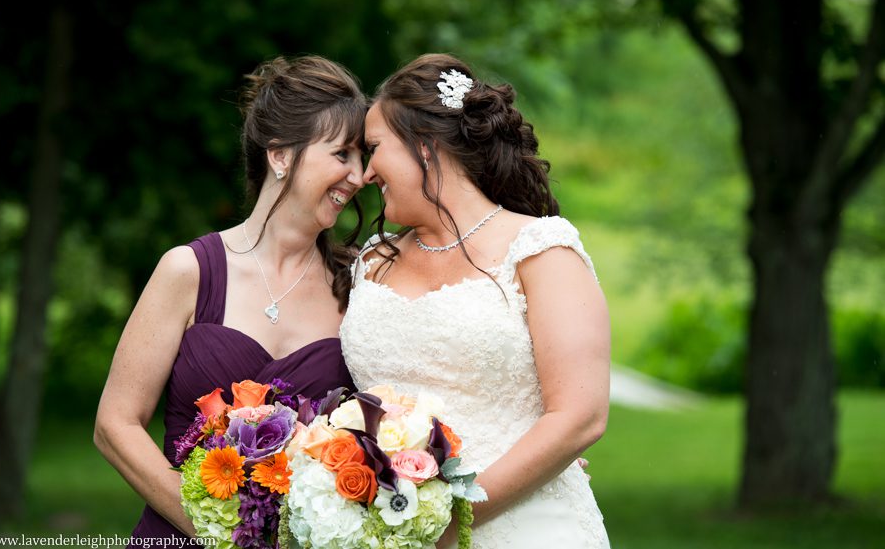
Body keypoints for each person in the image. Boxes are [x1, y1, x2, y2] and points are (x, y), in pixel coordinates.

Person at [340, 54, 611, 547]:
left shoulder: (540, 249)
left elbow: (580, 416)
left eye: (374, 149)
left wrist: (450, 522)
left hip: (527, 527)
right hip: (388, 530)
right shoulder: (372, 262)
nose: (364, 175)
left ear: (424, 147)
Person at [94, 56, 365, 544]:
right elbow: (116, 425)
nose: (359, 175)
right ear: (280, 156)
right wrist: (214, 530)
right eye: (342, 154)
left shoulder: (356, 289)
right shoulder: (189, 271)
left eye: (362, 157)